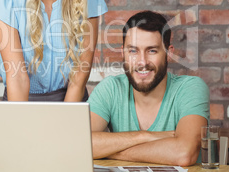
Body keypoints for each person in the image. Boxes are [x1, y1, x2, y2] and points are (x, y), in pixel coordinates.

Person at [88, 10, 209, 166]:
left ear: (169, 53)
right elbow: (79, 143)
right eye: (133, 51)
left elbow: (184, 153)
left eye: (152, 50)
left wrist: (109, 151)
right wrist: (144, 136)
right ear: (123, 53)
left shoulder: (190, 88)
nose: (142, 62)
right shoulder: (111, 88)